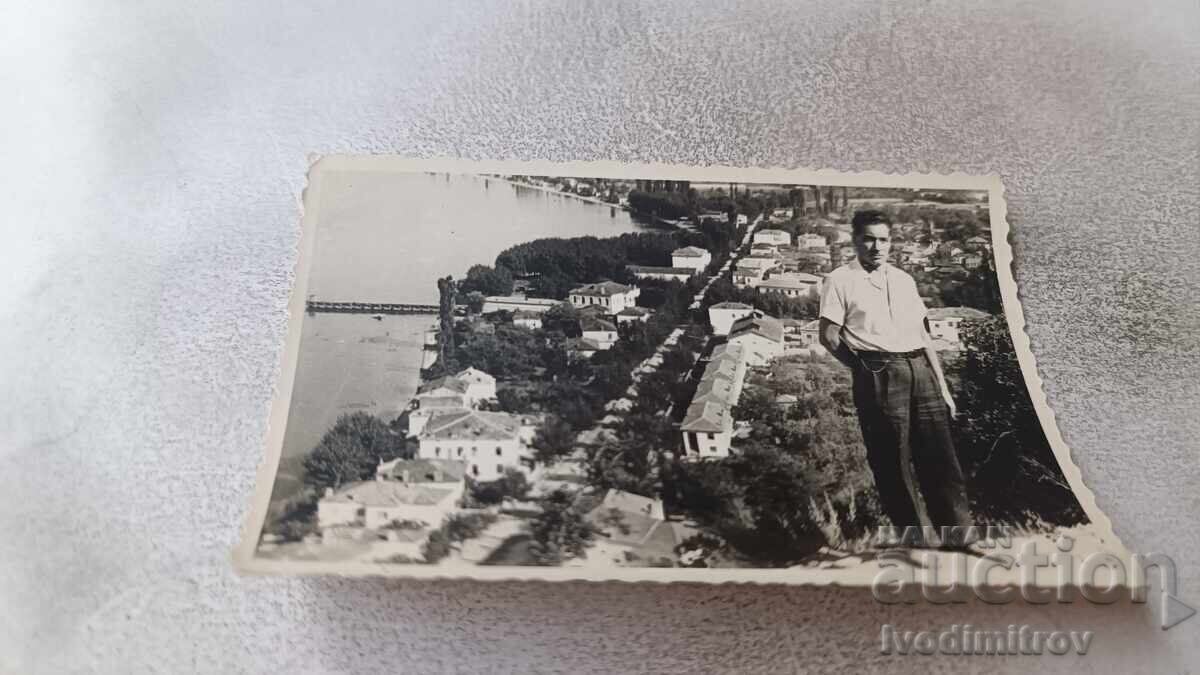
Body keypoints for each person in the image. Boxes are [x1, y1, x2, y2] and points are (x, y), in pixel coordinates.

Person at [819, 210, 972, 547]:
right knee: (893, 463)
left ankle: (959, 539)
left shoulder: (904, 280)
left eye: (883, 239)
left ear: (891, 242)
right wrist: (863, 368)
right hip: (879, 371)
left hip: (920, 369)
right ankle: (919, 544)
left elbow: (923, 334)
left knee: (941, 457)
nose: (877, 246)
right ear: (855, 240)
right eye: (869, 239)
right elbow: (829, 337)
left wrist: (943, 388)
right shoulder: (839, 280)